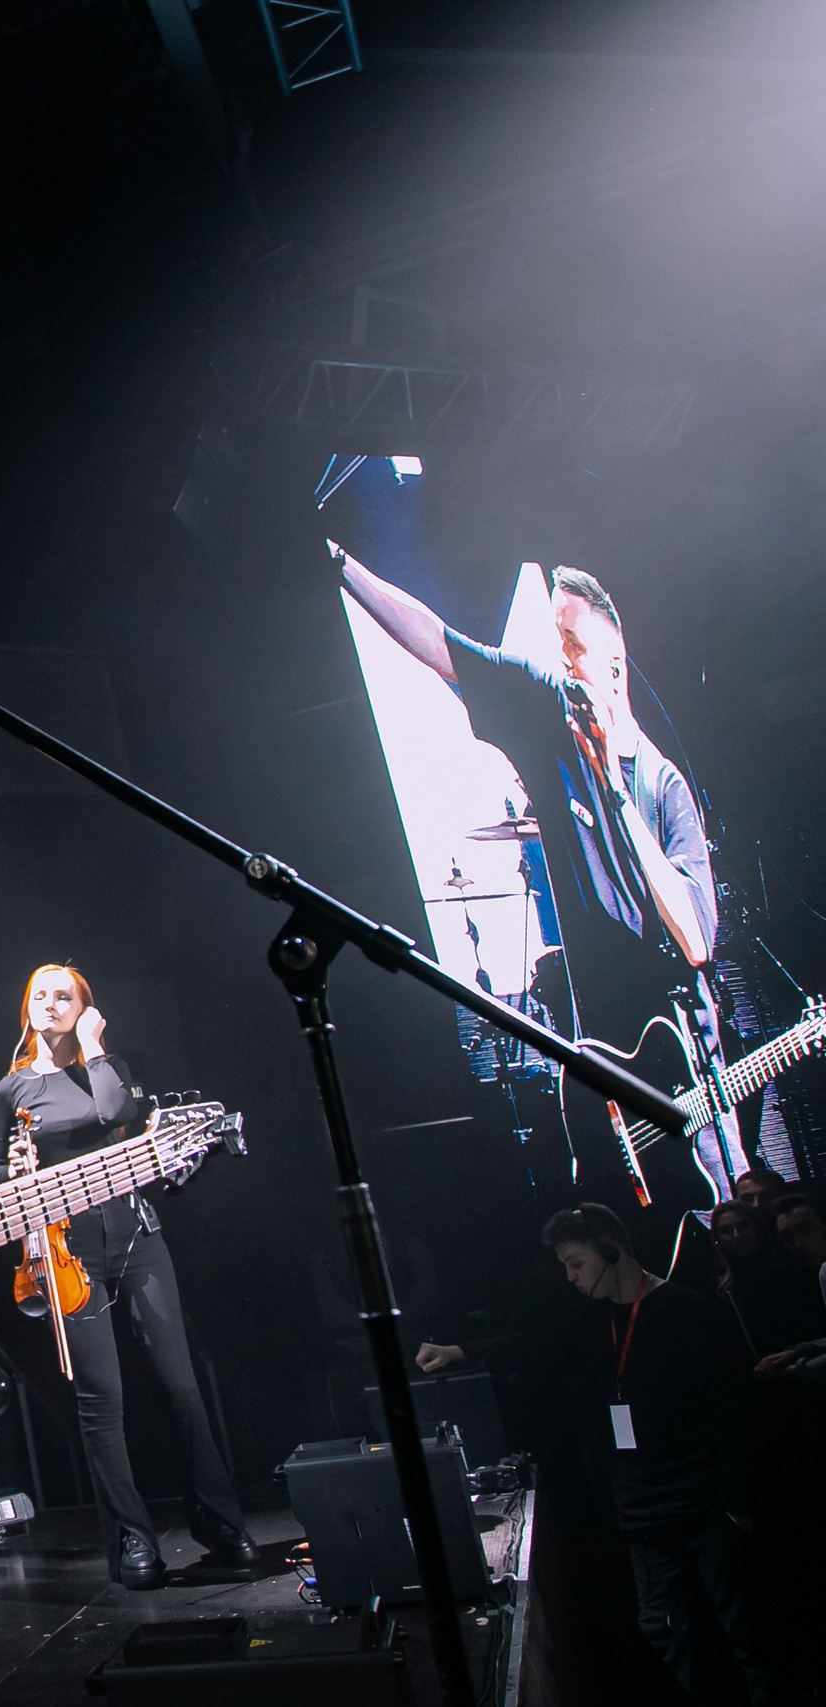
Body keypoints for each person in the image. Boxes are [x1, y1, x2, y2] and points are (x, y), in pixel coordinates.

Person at [336, 548, 740, 1202]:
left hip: (687, 1075)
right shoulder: (552, 723)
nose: (564, 660)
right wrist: (341, 566)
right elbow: (444, 645)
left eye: (573, 643)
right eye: (558, 642)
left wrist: (611, 788)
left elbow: (694, 942)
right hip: (608, 1076)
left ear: (614, 659)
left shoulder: (664, 789)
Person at [419, 1204, 769, 1704]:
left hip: (705, 1503)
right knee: (663, 1629)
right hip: (644, 1507)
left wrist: (737, 1502)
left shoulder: (686, 1311)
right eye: (564, 1266)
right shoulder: (594, 1319)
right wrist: (461, 1351)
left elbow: (731, 1414)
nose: (571, 1277)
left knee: (745, 1631)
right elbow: (536, 1342)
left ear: (611, 1250)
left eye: (577, 1263)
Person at [0, 965, 251, 1590]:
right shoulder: (11, 1089)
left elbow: (115, 1112)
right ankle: (133, 1540)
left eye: (65, 996)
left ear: (85, 1008)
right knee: (101, 1398)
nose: (50, 1004)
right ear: (26, 1007)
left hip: (136, 1234)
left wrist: (96, 1046)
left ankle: (220, 1522)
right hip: (67, 1250)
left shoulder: (110, 1067)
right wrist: (16, 1170)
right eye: (40, 995)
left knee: (181, 1387)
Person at [712, 1197, 826, 1357]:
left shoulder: (796, 1267)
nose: (736, 1235)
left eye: (744, 1226)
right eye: (725, 1230)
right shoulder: (720, 1289)